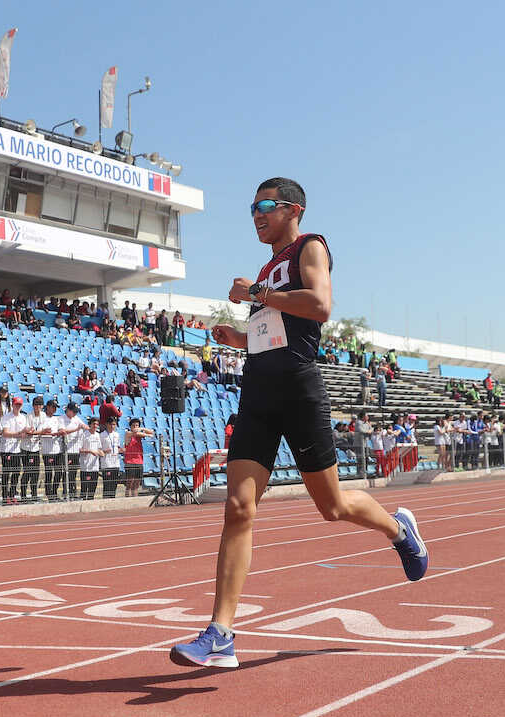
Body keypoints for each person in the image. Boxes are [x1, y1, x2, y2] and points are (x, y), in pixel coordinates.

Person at [170, 177, 427, 670]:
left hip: (299, 389)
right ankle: (221, 634)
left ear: (293, 209)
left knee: (331, 506)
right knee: (239, 506)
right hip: (259, 391)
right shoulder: (268, 266)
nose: (255, 215)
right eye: (251, 207)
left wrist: (259, 291)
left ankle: (399, 529)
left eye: (264, 205)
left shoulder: (311, 248)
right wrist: (239, 339)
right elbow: (276, 329)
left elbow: (320, 306)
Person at [0, 396, 28, 503]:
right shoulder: (6, 417)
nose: (18, 406)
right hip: (6, 448)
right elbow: (5, 433)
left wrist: (26, 432)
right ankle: (5, 496)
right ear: (12, 404)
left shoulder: (23, 417)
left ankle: (12, 494)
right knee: (6, 473)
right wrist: (19, 434)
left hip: (16, 449)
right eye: (16, 404)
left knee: (16, 472)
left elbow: (24, 432)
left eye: (19, 405)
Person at [59, 402, 87, 499]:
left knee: (74, 473)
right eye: (73, 412)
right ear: (68, 410)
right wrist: (76, 429)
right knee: (67, 472)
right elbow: (63, 431)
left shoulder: (76, 418)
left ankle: (72, 492)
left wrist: (85, 427)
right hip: (67, 450)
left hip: (76, 450)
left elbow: (84, 426)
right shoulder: (62, 418)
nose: (75, 414)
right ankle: (66, 492)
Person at [20, 396, 45, 502]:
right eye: (36, 404)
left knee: (36, 472)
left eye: (39, 404)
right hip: (26, 447)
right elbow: (29, 432)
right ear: (33, 406)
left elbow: (43, 430)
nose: (38, 407)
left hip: (35, 448)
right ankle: (23, 494)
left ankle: (34, 494)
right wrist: (39, 432)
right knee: (27, 472)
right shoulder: (28, 416)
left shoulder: (43, 416)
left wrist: (38, 432)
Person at [38, 400, 64, 500]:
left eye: (55, 407)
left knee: (59, 472)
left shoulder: (57, 419)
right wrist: (48, 433)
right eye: (53, 407)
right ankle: (49, 493)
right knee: (49, 472)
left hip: (58, 449)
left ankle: (54, 491)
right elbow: (40, 432)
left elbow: (61, 429)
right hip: (47, 450)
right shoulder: (43, 418)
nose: (54, 409)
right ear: (48, 407)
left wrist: (60, 431)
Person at [123, 418, 153, 498]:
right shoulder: (128, 433)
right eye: (134, 425)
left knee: (136, 484)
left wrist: (142, 428)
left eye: (137, 425)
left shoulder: (140, 433)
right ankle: (127, 498)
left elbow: (151, 432)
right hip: (130, 462)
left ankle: (135, 499)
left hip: (139, 461)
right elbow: (136, 434)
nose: (135, 427)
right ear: (130, 426)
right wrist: (147, 435)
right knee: (130, 483)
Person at [77, 418, 103, 499]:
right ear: (90, 424)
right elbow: (79, 449)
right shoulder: (84, 434)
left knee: (92, 489)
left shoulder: (98, 435)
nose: (95, 426)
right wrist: (90, 451)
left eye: (97, 424)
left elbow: (99, 448)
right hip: (85, 466)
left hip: (95, 466)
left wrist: (101, 453)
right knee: (84, 489)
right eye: (94, 424)